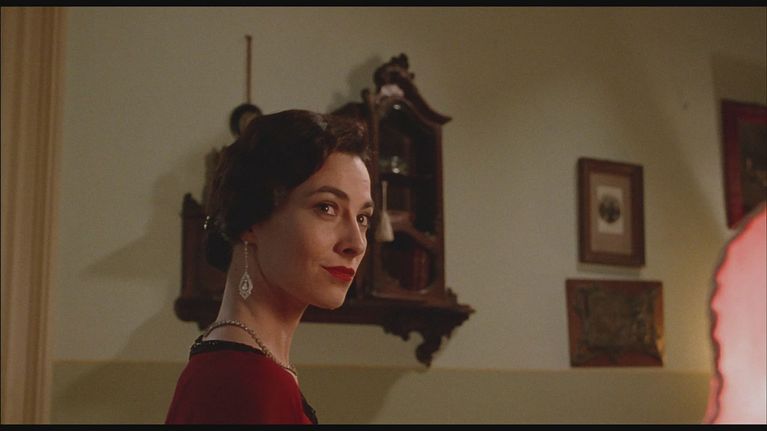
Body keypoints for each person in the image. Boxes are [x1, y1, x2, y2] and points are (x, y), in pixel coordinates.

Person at [165, 109, 373, 424]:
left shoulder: (230, 364)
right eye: (326, 208)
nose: (355, 243)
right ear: (251, 220)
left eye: (362, 218)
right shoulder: (250, 384)